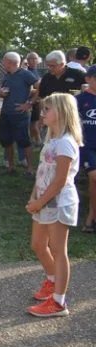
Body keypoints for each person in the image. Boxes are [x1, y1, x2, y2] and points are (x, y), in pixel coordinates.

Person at [26, 93, 82, 317]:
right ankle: (52, 281)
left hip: (59, 204)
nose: (42, 113)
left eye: (47, 109)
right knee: (38, 244)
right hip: (43, 202)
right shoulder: (52, 140)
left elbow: (60, 181)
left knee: (59, 251)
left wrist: (40, 202)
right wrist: (34, 197)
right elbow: (42, 172)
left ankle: (59, 302)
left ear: (61, 112)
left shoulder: (66, 143)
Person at [0, 52, 38, 175]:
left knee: (24, 141)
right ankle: (11, 167)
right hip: (5, 113)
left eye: (4, 61)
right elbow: (2, 91)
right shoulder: (6, 75)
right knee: (6, 140)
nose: (2, 63)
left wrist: (29, 103)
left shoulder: (25, 74)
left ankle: (30, 168)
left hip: (20, 114)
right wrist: (1, 93)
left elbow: (40, 87)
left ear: (10, 62)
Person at [76, 66, 96, 232]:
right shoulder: (80, 99)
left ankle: (91, 218)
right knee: (94, 177)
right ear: (88, 79)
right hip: (87, 147)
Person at [26, 52, 42, 146]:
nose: (33, 60)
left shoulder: (37, 71)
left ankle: (33, 140)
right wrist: (38, 90)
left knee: (36, 122)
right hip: (29, 101)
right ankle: (38, 141)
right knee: (32, 123)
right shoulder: (26, 72)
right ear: (27, 60)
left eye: (35, 58)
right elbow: (30, 89)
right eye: (31, 59)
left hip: (38, 101)